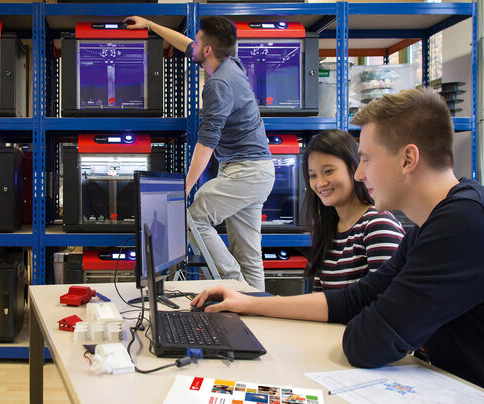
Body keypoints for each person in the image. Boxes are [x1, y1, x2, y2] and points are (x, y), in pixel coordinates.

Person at [191, 87, 484, 388]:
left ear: (408, 158)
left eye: (367, 159)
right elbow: (353, 299)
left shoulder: (462, 223)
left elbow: (368, 343)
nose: (360, 175)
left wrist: (367, 319)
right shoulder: (434, 225)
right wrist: (248, 302)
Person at [125, 15, 275, 290]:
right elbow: (187, 45)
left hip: (245, 172)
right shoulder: (231, 64)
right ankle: (257, 309)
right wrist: (150, 24)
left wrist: (184, 187)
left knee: (192, 217)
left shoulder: (218, 85)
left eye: (198, 41)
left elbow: (206, 143)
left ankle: (234, 287)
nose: (192, 44)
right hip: (258, 172)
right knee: (249, 253)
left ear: (207, 50)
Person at [302, 129, 404, 291]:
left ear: (353, 168)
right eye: (313, 176)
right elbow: (320, 300)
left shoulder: (378, 225)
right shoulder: (329, 229)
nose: (320, 183)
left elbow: (389, 302)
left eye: (328, 171)